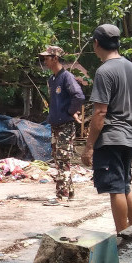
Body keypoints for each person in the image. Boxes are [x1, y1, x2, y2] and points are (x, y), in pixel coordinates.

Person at [81, 24, 132, 232]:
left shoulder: (104, 72)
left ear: (96, 43)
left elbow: (100, 113)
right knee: (125, 186)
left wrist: (88, 146)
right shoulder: (131, 68)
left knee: (116, 189)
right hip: (130, 135)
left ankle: (123, 237)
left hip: (112, 137)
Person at [40, 45, 85, 204]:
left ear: (56, 58)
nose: (44, 60)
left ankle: (61, 196)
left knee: (62, 159)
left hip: (65, 125)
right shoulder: (52, 79)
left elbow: (78, 96)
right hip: (55, 125)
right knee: (59, 160)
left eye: (47, 57)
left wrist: (72, 111)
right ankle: (70, 193)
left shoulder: (67, 77)